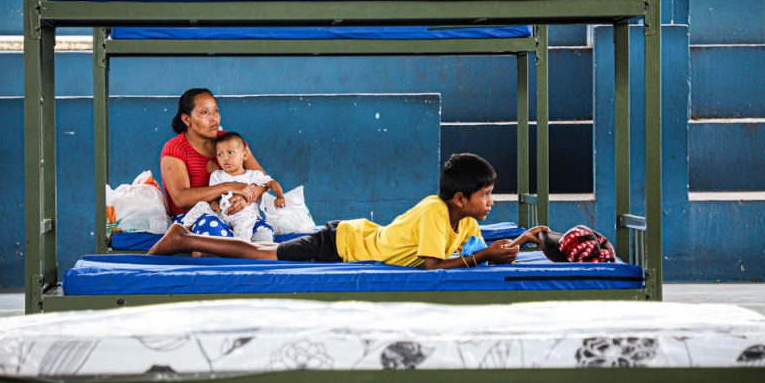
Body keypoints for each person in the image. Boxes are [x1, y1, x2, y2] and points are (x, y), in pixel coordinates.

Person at [149, 153, 548, 269]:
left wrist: (520, 241)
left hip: (351, 237)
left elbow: (477, 248)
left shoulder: (461, 222)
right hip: (341, 243)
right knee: (259, 255)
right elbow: (432, 269)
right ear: (460, 198)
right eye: (486, 195)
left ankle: (184, 238)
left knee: (262, 253)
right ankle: (182, 237)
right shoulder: (434, 212)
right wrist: (484, 256)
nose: (491, 203)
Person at [160, 88, 270, 236]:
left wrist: (246, 200)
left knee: (264, 232)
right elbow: (181, 198)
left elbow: (264, 182)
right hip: (194, 217)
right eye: (204, 113)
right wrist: (228, 187)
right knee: (212, 230)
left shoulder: (232, 142)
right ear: (187, 119)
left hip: (235, 213)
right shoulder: (175, 149)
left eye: (216, 111)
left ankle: (240, 252)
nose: (214, 118)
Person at [179, 131, 286, 241]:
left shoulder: (252, 175)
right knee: (201, 205)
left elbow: (272, 183)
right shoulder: (217, 176)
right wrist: (214, 203)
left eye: (230, 152)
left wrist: (280, 196)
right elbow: (213, 196)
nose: (225, 158)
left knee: (246, 222)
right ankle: (181, 230)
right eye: (220, 154)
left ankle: (240, 246)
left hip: (243, 215)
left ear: (244, 154)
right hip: (222, 214)